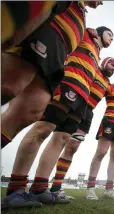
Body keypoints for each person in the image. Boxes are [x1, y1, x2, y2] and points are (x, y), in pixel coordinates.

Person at [1, 26, 113, 208]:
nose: (112, 38)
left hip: (82, 98)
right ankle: (15, 190)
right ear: (99, 32)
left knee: (62, 138)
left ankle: (39, 188)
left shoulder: (96, 53)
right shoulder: (84, 35)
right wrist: (86, 29)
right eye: (110, 34)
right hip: (67, 86)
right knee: (42, 129)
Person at [1, 1, 103, 148]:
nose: (102, 2)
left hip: (57, 57)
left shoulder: (83, 16)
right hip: (43, 35)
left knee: (31, 111)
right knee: (8, 86)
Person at [48, 57, 114, 199]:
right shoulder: (92, 69)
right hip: (75, 104)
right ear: (104, 62)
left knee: (73, 147)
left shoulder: (108, 83)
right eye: (112, 64)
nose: (113, 68)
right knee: (60, 141)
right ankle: (47, 185)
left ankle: (56, 188)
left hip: (88, 113)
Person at [85, 72, 114, 200]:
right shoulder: (111, 87)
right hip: (109, 122)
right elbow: (99, 85)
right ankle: (90, 189)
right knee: (101, 153)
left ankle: (109, 190)